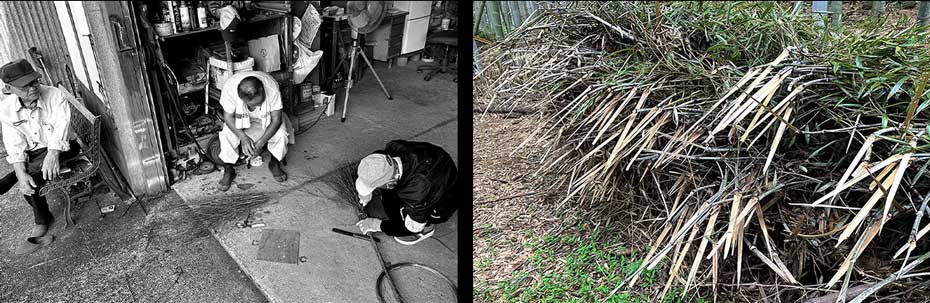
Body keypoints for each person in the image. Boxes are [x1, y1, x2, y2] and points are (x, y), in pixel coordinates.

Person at [0, 59, 81, 254]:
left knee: (33, 178)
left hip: (63, 146)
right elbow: (14, 143)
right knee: (27, 176)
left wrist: (53, 155)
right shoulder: (6, 109)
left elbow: (61, 128)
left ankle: (42, 219)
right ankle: (16, 179)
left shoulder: (54, 95)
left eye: (34, 81)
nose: (32, 88)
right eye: (25, 85)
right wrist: (20, 172)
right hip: (35, 153)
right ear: (9, 88)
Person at [354, 140, 458, 245]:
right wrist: (364, 194)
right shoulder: (393, 149)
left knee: (403, 221)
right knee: (389, 198)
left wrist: (377, 225)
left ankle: (427, 229)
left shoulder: (418, 193)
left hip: (442, 201)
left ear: (390, 182)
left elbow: (413, 227)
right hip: (436, 162)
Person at [213, 70, 289, 191]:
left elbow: (276, 119)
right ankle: (228, 169)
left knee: (281, 134)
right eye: (253, 104)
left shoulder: (271, 87)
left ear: (263, 91)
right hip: (241, 115)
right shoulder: (229, 89)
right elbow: (227, 117)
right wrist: (243, 137)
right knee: (226, 135)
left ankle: (274, 163)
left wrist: (261, 143)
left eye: (259, 102)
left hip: (266, 115)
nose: (256, 106)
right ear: (242, 98)